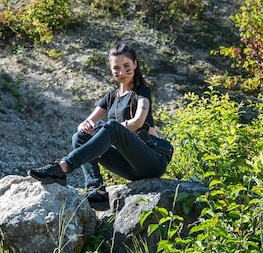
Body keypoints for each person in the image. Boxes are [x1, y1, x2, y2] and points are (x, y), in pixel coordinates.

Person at [27, 42, 170, 210]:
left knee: (112, 127)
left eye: (126, 66)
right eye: (116, 68)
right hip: (130, 168)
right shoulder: (110, 97)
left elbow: (138, 121)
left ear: (135, 64)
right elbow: (84, 125)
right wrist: (86, 126)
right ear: (110, 68)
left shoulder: (142, 92)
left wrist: (110, 128)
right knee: (80, 137)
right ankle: (96, 190)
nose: (122, 72)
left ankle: (63, 166)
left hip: (152, 161)